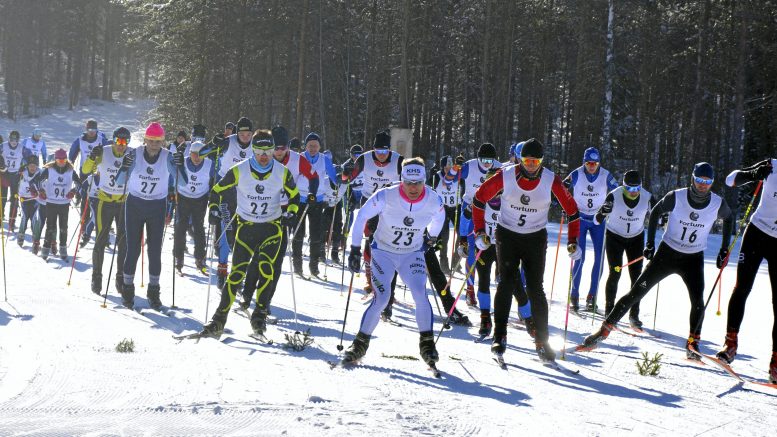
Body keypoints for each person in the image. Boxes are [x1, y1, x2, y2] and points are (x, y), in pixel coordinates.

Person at [580, 162, 734, 360]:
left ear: (711, 183)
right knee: (637, 290)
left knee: (698, 301)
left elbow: (730, 218)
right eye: (699, 180)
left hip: (693, 258)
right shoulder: (676, 196)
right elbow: (655, 213)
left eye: (707, 182)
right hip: (667, 254)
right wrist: (651, 243)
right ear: (692, 179)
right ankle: (603, 332)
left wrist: (724, 249)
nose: (703, 185)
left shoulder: (717, 203)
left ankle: (693, 344)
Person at [473, 138, 581, 362]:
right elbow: (479, 198)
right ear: (521, 159)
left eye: (536, 160)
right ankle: (499, 336)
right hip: (508, 235)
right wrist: (479, 231)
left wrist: (573, 240)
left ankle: (542, 341)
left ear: (541, 161)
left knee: (535, 288)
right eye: (527, 160)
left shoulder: (551, 179)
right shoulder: (506, 175)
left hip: (535, 238)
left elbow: (572, 209)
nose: (531, 164)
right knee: (506, 283)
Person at [342, 157, 446, 367]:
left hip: (412, 254)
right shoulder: (386, 195)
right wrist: (354, 249)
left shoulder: (433, 200)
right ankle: (360, 343)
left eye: (418, 183)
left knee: (419, 292)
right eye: (408, 183)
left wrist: (431, 238)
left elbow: (440, 218)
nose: (413, 188)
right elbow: (361, 216)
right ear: (402, 180)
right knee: (382, 298)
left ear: (424, 180)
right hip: (383, 253)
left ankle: (427, 344)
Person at [199, 129, 300, 338]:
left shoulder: (282, 172)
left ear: (274, 150)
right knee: (236, 275)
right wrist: (213, 208)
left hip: (272, 229)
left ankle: (259, 317)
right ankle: (219, 320)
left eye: (268, 150)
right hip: (245, 227)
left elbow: (295, 197)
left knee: (266, 270)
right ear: (253, 150)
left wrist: (291, 212)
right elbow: (217, 191)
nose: (264, 156)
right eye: (259, 151)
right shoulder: (239, 170)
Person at [716, 159, 777, 383]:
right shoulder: (773, 166)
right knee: (742, 288)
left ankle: (775, 362)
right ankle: (730, 344)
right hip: (757, 234)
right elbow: (730, 180)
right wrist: (754, 173)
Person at [118, 122, 186, 310]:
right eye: (151, 140)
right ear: (145, 140)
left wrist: (182, 166)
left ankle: (153, 292)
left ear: (163, 141)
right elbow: (120, 181)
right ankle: (128, 290)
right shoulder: (134, 154)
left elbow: (183, 182)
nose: (154, 144)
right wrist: (124, 167)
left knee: (154, 251)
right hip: (135, 205)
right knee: (133, 250)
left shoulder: (168, 156)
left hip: (157, 206)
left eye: (158, 141)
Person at [342, 131, 404, 299]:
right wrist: (346, 172)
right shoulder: (364, 159)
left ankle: (389, 288)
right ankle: (371, 281)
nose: (381, 155)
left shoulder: (399, 160)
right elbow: (346, 178)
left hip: (390, 207)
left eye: (385, 152)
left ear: (389, 150)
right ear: (373, 149)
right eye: (378, 151)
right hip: (369, 204)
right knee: (371, 243)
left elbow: (410, 183)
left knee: (389, 246)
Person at [199, 117, 254, 288]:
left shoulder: (256, 145)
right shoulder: (228, 142)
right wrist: (213, 142)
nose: (245, 137)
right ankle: (222, 269)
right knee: (225, 229)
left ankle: (238, 272)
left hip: (246, 192)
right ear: (237, 132)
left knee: (243, 235)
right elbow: (201, 153)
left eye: (248, 134)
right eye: (242, 133)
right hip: (225, 189)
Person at [594, 170, 653, 326]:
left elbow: (658, 217)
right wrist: (602, 213)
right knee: (615, 272)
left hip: (636, 239)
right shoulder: (614, 195)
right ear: (623, 187)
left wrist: (662, 219)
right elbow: (596, 221)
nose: (633, 193)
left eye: (636, 189)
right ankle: (609, 311)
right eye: (629, 189)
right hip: (615, 238)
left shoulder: (647, 197)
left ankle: (634, 315)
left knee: (637, 278)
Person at [564, 147, 619, 312]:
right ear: (584, 162)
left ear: (599, 163)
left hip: (598, 220)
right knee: (579, 257)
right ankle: (574, 295)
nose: (592, 166)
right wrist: (564, 204)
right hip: (579, 218)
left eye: (595, 163)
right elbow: (562, 188)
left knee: (599, 259)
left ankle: (592, 296)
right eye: (589, 163)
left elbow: (617, 191)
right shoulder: (577, 173)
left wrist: (610, 205)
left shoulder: (606, 175)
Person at [82, 127, 132, 294]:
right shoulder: (103, 151)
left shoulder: (132, 154)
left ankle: (121, 278)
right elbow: (85, 170)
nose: (121, 145)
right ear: (114, 140)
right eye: (118, 140)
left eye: (125, 141)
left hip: (123, 202)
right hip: (104, 201)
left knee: (123, 242)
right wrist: (91, 157)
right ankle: (97, 277)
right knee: (101, 240)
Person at [458, 143, 501, 306]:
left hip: (491, 210)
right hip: (470, 207)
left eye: (490, 160)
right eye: (483, 159)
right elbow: (452, 178)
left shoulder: (500, 168)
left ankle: (500, 283)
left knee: (495, 250)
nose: (486, 163)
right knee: (470, 252)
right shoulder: (469, 166)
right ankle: (470, 289)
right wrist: (456, 169)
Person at [31, 149, 81, 261]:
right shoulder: (49, 170)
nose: (62, 162)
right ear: (55, 159)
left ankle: (63, 250)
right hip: (51, 202)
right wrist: (41, 191)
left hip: (64, 203)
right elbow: (37, 181)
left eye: (64, 159)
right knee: (50, 227)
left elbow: (79, 183)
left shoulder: (70, 170)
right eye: (59, 159)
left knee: (63, 227)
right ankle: (45, 250)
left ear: (66, 159)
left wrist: (73, 191)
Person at [173, 140, 215, 273]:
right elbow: (172, 174)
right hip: (183, 197)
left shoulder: (209, 164)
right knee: (181, 227)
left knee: (198, 228)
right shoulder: (183, 161)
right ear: (190, 153)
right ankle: (178, 257)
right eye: (194, 154)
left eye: (200, 154)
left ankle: (200, 257)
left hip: (200, 199)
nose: (197, 158)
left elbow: (216, 179)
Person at [68, 119, 110, 247]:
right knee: (85, 198)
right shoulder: (80, 140)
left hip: (100, 173)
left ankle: (103, 228)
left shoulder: (101, 139)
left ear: (97, 129)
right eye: (89, 130)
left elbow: (109, 152)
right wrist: (70, 169)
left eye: (94, 130)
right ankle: (84, 224)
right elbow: (71, 156)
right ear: (85, 129)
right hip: (84, 173)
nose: (91, 133)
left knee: (100, 198)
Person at [430, 155, 458, 274]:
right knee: (444, 237)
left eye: (450, 167)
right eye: (446, 168)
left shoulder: (458, 176)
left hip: (456, 207)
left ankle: (456, 261)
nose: (449, 170)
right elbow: (429, 190)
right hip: (443, 209)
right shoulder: (437, 176)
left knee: (462, 235)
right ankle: (444, 264)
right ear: (442, 168)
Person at [15, 155, 43, 249]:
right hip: (24, 198)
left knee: (34, 218)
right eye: (30, 165)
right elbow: (15, 180)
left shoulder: (40, 173)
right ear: (27, 166)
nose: (32, 168)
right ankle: (20, 237)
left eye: (34, 166)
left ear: (37, 166)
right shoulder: (23, 172)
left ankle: (36, 240)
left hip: (35, 199)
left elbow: (43, 184)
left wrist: (39, 193)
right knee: (24, 217)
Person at [1, 131, 25, 233]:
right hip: (4, 174)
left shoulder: (22, 148)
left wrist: (23, 167)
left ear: (18, 140)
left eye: (16, 140)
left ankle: (12, 220)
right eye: (11, 139)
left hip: (16, 175)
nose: (13, 142)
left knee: (14, 198)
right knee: (2, 197)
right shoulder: (3, 145)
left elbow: (31, 158)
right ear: (9, 138)